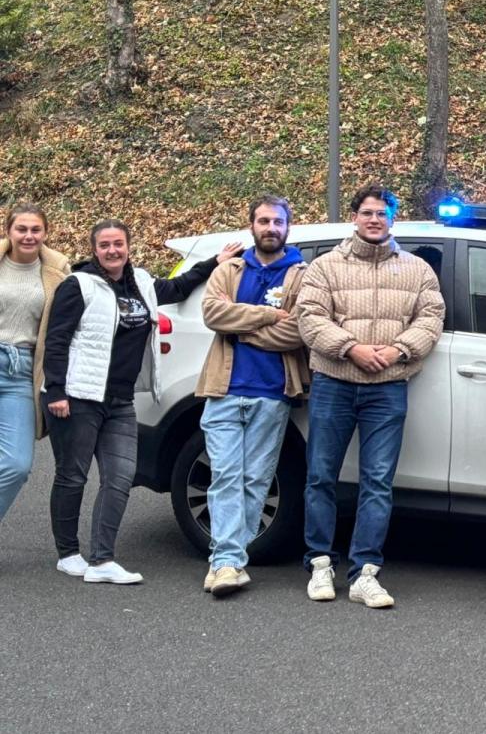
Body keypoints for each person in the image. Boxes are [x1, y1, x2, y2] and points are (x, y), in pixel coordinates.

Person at [42, 220, 239, 584]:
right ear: (95, 249)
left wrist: (215, 261)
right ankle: (68, 553)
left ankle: (102, 560)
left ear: (129, 247)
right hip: (78, 397)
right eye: (105, 245)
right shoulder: (79, 286)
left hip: (120, 400)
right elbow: (57, 340)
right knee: (73, 476)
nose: (112, 251)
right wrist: (55, 391)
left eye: (119, 244)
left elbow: (179, 287)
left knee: (119, 477)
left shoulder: (143, 284)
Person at [297, 184, 444, 609]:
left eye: (382, 213)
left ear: (393, 218)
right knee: (321, 476)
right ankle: (320, 563)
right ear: (355, 217)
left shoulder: (417, 270)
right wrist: (352, 348)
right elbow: (310, 318)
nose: (375, 219)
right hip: (334, 383)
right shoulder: (325, 267)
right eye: (367, 212)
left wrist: (399, 349)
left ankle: (365, 572)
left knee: (377, 483)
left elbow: (431, 317)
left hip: (387, 389)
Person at [195, 195, 308, 597]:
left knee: (255, 480)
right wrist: (265, 315)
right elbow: (212, 314)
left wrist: (238, 322)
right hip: (224, 389)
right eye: (263, 221)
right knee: (225, 475)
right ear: (252, 226)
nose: (270, 228)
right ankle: (227, 561)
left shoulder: (301, 275)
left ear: (287, 227)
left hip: (273, 393)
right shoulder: (230, 269)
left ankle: (226, 561)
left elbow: (297, 331)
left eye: (278, 221)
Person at [0, 204, 70, 528]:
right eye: (22, 229)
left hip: (23, 372)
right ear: (8, 231)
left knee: (16, 464)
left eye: (35, 230)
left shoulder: (58, 271)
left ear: (45, 233)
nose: (28, 236)